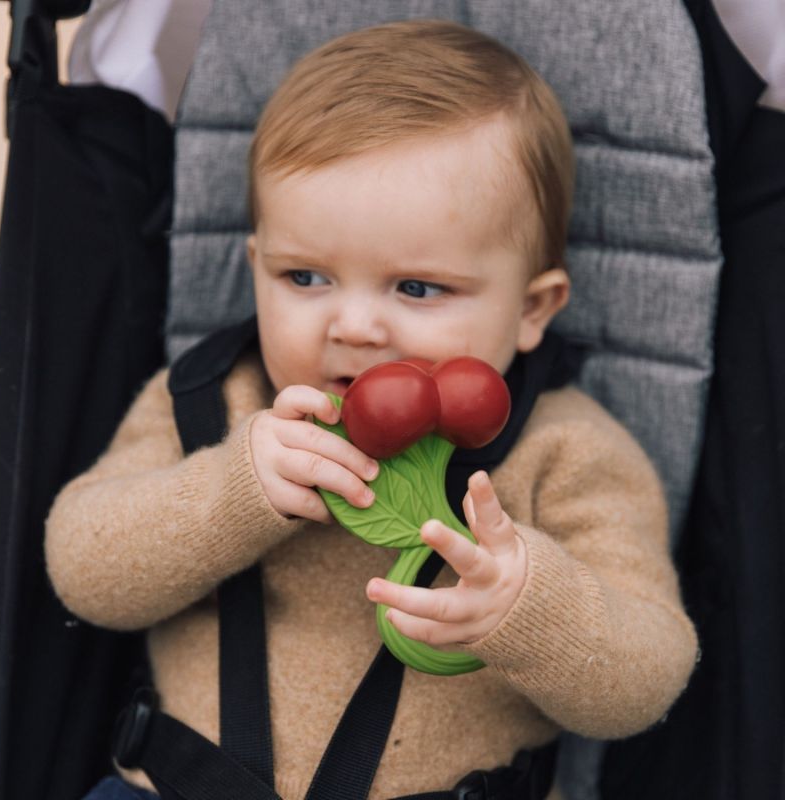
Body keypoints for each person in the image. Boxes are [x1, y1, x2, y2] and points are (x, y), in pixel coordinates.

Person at [45, 19, 698, 800]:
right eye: (305, 278)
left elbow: (650, 675)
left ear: (533, 310)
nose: (352, 327)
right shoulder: (216, 404)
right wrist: (231, 492)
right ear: (255, 264)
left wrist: (529, 605)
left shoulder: (568, 451)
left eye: (417, 288)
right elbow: (81, 567)